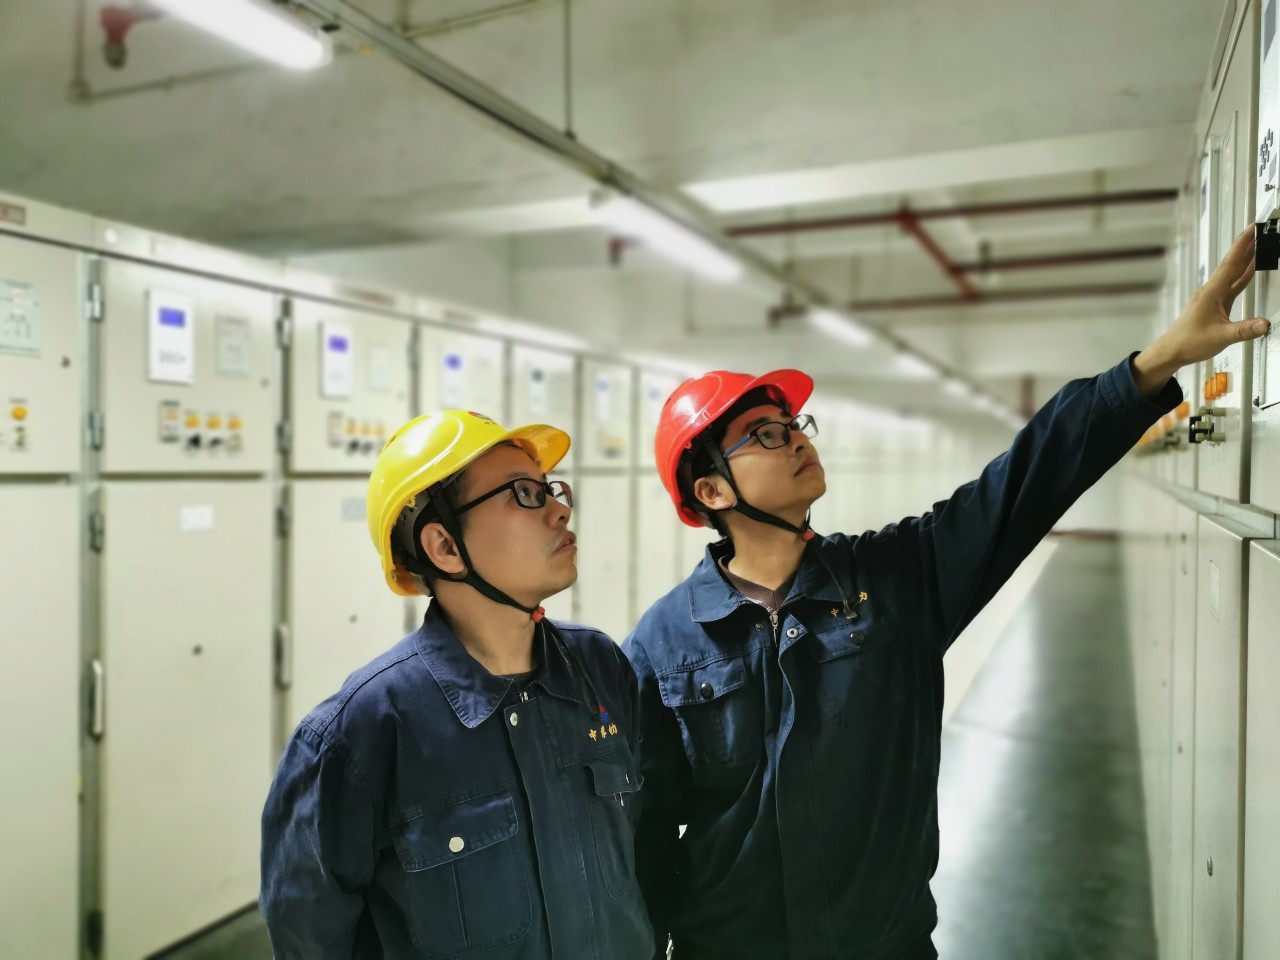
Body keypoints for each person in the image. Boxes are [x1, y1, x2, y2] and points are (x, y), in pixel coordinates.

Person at [622, 229, 1271, 960]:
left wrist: (1157, 363)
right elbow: (641, 830)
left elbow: (1026, 480)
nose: (798, 438)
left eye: (794, 424)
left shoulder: (895, 578)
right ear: (712, 491)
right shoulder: (662, 642)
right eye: (765, 435)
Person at [261, 409, 652, 959]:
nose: (561, 509)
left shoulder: (599, 666)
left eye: (550, 489)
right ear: (445, 547)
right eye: (524, 494)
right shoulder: (360, 734)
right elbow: (311, 936)